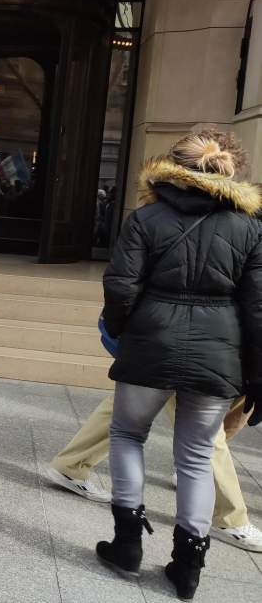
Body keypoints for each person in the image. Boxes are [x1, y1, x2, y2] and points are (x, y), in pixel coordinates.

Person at [94, 130, 262, 600]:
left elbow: (120, 286)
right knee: (196, 455)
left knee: (128, 434)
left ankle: (127, 545)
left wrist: (124, 329)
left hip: (152, 341)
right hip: (219, 350)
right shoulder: (251, 227)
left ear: (174, 168)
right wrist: (257, 371)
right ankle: (187, 568)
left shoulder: (145, 217)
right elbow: (258, 306)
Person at [46, 394, 262, 552]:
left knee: (128, 402)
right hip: (197, 347)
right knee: (204, 431)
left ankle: (71, 464)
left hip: (183, 346)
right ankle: (229, 517)